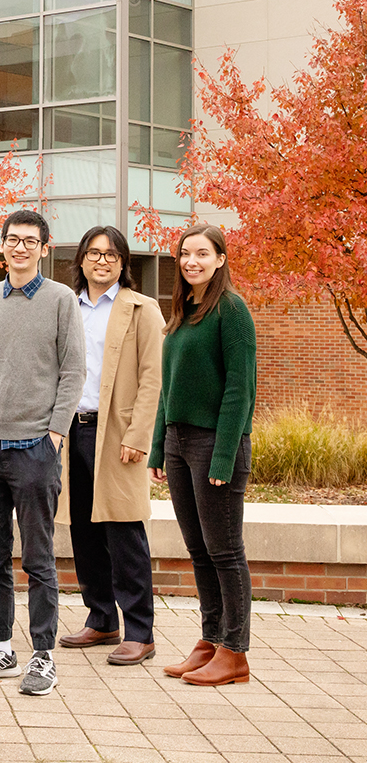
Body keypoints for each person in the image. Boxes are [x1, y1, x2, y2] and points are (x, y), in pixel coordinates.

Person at [0, 209, 85, 696]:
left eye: (31, 241)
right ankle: (0, 647)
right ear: (3, 245)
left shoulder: (60, 301)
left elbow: (74, 372)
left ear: (45, 248)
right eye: (13, 240)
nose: (21, 247)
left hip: (35, 447)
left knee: (38, 558)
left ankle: (43, 654)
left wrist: (54, 433)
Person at [149, 224, 256, 687]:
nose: (192, 261)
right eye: (185, 253)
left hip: (215, 443)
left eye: (202, 253)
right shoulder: (183, 310)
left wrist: (224, 457)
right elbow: (166, 388)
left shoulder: (230, 310)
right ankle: (211, 639)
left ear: (221, 259)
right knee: (198, 550)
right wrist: (158, 445)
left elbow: (240, 390)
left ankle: (235, 651)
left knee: (225, 551)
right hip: (178, 443)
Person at [56, 225, 163, 666]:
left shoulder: (142, 309)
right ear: (81, 259)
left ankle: (140, 631)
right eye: (94, 253)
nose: (102, 260)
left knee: (124, 530)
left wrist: (139, 436)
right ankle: (101, 618)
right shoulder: (65, 306)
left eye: (111, 254)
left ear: (123, 263)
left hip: (116, 434)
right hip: (71, 430)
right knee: (83, 528)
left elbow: (153, 377)